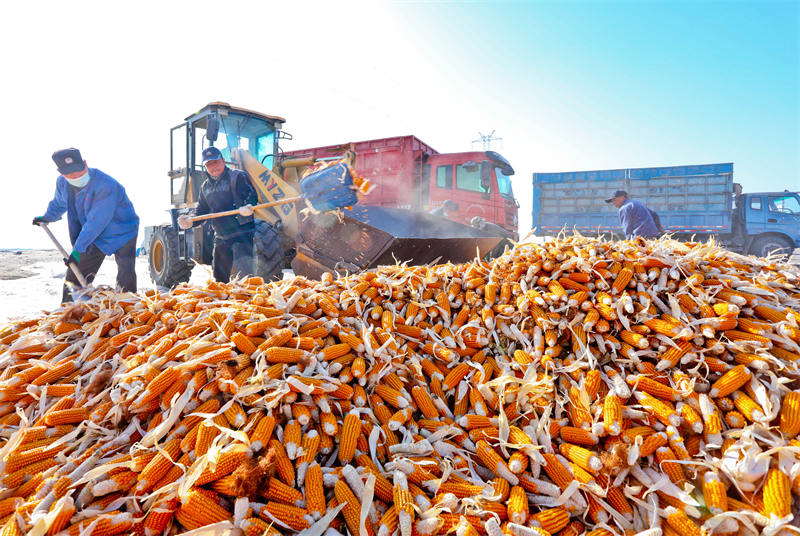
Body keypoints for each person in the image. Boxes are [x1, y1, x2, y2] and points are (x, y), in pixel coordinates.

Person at [33, 148, 140, 302]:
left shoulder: (105, 185)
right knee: (76, 273)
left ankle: (128, 305)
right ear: (60, 172)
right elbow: (59, 202)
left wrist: (77, 250)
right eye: (70, 175)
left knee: (126, 269)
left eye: (79, 172)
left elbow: (96, 222)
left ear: (85, 163)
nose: (76, 177)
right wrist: (47, 217)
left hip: (123, 230)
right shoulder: (63, 183)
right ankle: (68, 311)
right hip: (93, 234)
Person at [178, 147, 257, 283]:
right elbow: (201, 211)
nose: (213, 167)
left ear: (223, 161)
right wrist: (190, 220)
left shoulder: (238, 176)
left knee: (245, 280)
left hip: (242, 235)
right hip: (221, 237)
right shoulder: (205, 187)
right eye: (209, 164)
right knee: (220, 280)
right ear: (205, 167)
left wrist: (247, 206)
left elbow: (252, 196)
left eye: (215, 162)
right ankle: (224, 303)